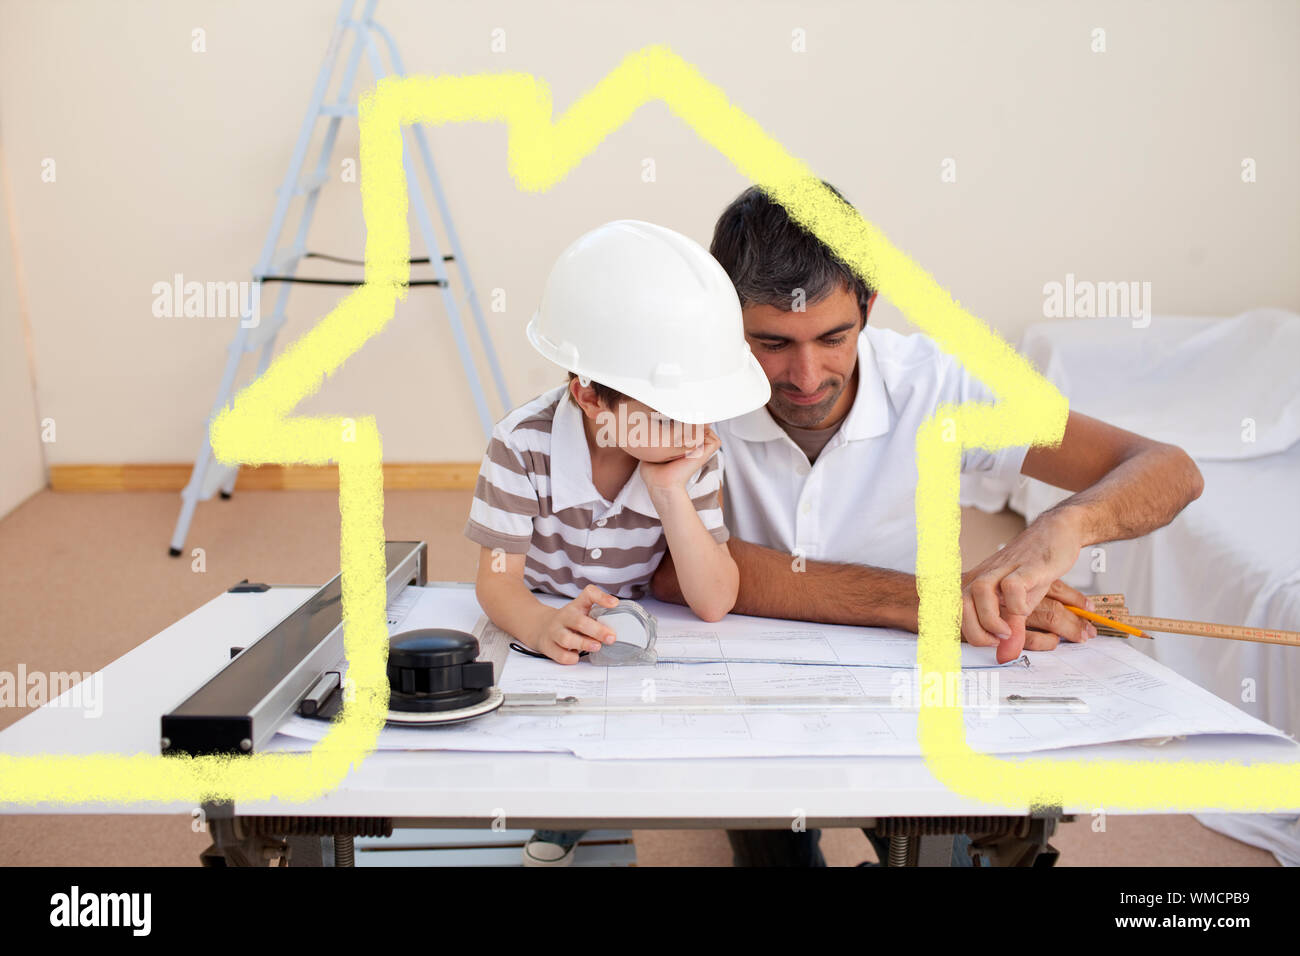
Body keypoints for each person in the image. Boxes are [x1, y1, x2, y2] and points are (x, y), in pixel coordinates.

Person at [651, 184, 1205, 866]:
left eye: (834, 338)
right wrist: (927, 601)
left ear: (869, 306)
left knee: (955, 836)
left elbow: (1168, 468)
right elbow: (670, 568)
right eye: (770, 343)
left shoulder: (937, 387)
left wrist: (1065, 525)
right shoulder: (681, 393)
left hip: (904, 678)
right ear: (723, 322)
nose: (805, 376)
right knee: (773, 841)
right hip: (749, 675)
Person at [465, 219, 771, 866]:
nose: (693, 430)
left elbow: (715, 602)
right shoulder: (520, 446)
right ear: (587, 395)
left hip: (635, 631)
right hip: (545, 625)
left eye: (699, 407)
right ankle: (567, 812)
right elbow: (496, 582)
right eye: (666, 413)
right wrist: (544, 626)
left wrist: (669, 494)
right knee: (538, 747)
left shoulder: (690, 453)